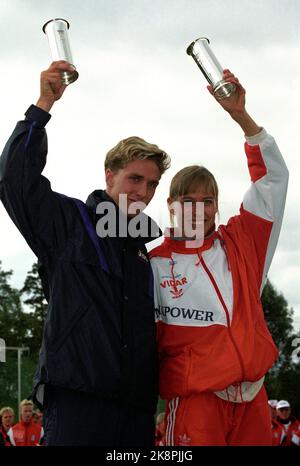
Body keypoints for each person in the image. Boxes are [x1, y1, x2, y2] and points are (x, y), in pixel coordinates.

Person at [0, 61, 170, 446]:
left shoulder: (148, 256)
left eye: (153, 184)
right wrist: (43, 105)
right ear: (109, 175)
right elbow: (14, 180)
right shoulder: (70, 223)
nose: (143, 192)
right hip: (78, 403)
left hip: (137, 409)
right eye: (135, 179)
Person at [149, 70, 289, 446]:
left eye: (207, 201)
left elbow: (273, 180)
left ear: (216, 206)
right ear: (171, 206)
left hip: (254, 400)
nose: (199, 210)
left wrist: (242, 118)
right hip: (197, 402)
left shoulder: (243, 243)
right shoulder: (153, 265)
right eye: (188, 202)